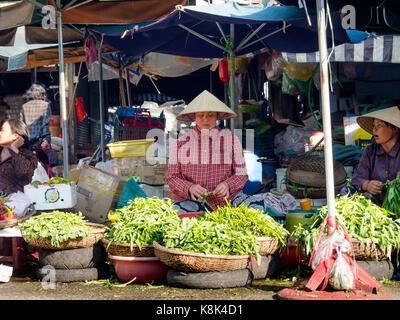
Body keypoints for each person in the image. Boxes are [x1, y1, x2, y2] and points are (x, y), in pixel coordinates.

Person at [166, 90, 249, 213]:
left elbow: (241, 174)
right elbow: (172, 177)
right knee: (175, 214)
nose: (205, 119)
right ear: (194, 116)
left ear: (217, 116)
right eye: (200, 115)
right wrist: (190, 187)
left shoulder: (231, 140)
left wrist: (227, 185)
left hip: (227, 201)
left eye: (210, 115)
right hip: (192, 202)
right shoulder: (180, 143)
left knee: (255, 206)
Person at [351, 106, 400, 205]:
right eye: (374, 125)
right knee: (347, 191)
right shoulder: (371, 151)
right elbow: (357, 178)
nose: (374, 130)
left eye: (379, 125)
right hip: (376, 203)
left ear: (394, 128)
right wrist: (367, 185)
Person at [0, 119, 38, 194]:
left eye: (3, 130)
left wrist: (14, 149)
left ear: (15, 136)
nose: (0, 133)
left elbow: (24, 173)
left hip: (13, 202)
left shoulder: (27, 155)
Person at [20, 82, 52, 149]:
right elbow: (45, 125)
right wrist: (46, 140)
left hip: (27, 141)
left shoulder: (24, 106)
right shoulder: (45, 105)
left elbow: (21, 125)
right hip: (40, 141)